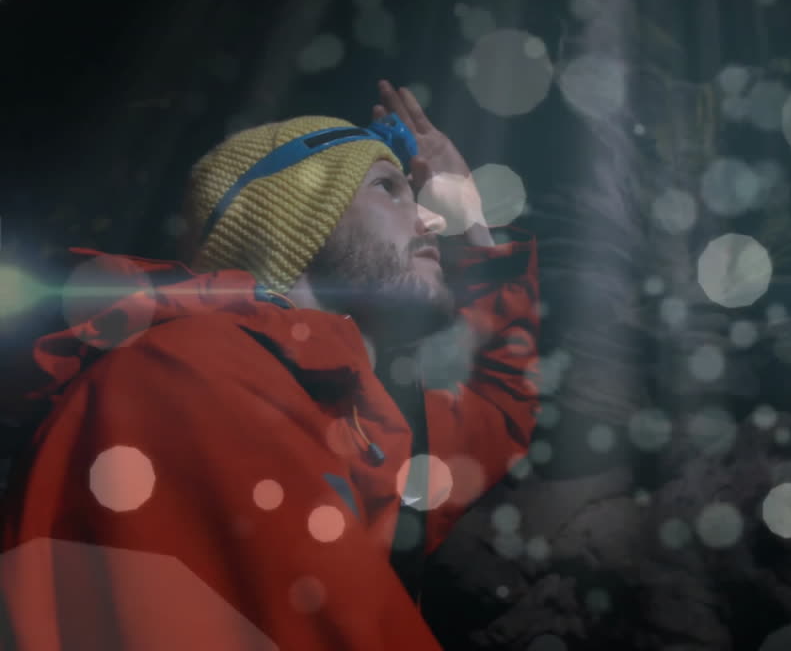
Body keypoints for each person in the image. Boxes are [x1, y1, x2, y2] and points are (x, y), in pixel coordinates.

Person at [0, 81, 540, 649]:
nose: (431, 219)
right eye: (390, 189)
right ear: (296, 221)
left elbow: (501, 407)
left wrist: (472, 218)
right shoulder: (189, 371)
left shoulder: (352, 409)